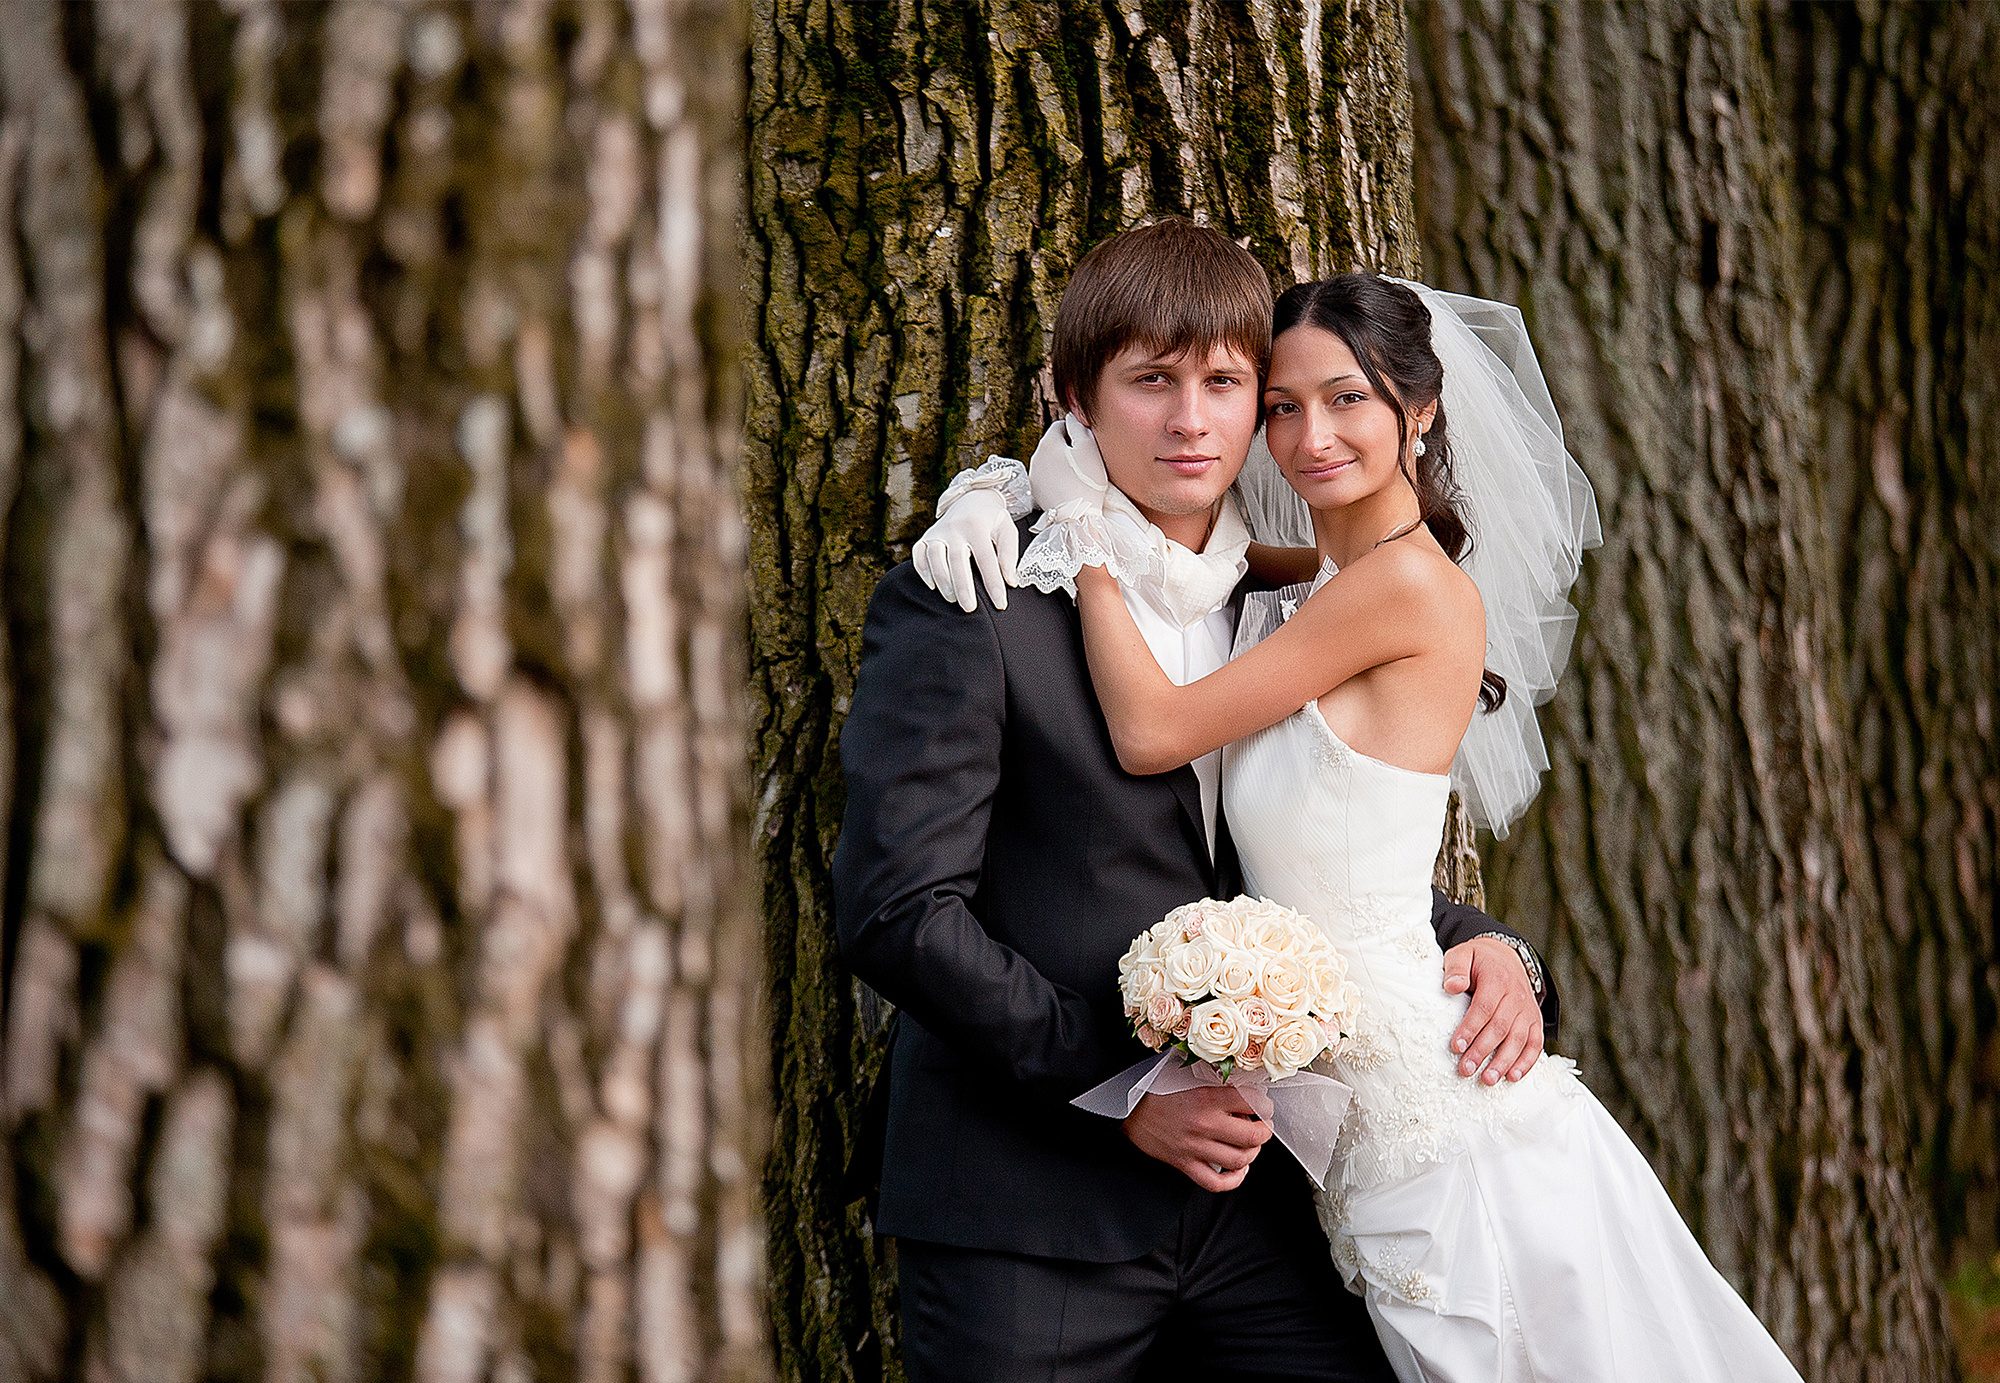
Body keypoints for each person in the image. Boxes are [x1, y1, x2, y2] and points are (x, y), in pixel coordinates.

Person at [920, 271, 1805, 1381]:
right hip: (1333, 1144)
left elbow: (1152, 732)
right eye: (1282, 406)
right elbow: (1207, 576)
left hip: (1426, 1118)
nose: (1308, 436)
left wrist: (1081, 528)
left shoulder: (1403, 593)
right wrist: (996, 499)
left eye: (1347, 400)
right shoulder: (1321, 582)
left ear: (1419, 409)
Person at [830, 220, 1556, 1383]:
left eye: (1225, 384)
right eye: (1150, 382)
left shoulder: (1281, 601)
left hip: (1268, 1211)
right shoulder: (972, 595)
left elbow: (1319, 841)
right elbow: (896, 910)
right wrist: (1122, 1094)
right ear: (1074, 397)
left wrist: (1488, 944)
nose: (1190, 422)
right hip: (1032, 1210)